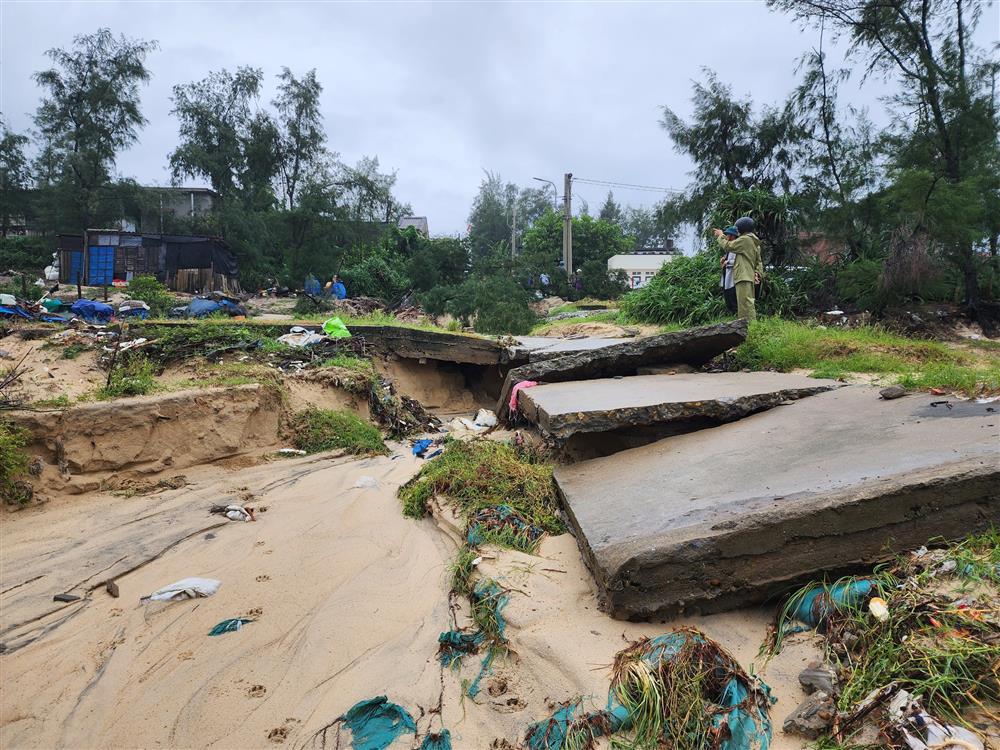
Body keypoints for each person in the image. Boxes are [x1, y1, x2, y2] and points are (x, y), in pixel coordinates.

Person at [712, 216, 763, 321]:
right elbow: (758, 261)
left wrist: (721, 235)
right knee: (747, 302)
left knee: (745, 304)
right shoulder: (752, 240)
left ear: (742, 228)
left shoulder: (745, 239)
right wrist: (758, 273)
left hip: (743, 276)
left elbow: (728, 246)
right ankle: (749, 326)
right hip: (748, 275)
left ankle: (748, 326)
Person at [719, 226, 739, 314]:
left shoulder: (736, 246)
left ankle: (736, 316)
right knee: (727, 296)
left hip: (733, 277)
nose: (726, 237)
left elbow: (738, 261)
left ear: (732, 236)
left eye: (727, 235)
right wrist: (724, 259)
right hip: (727, 275)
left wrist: (727, 262)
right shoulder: (731, 246)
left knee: (732, 297)